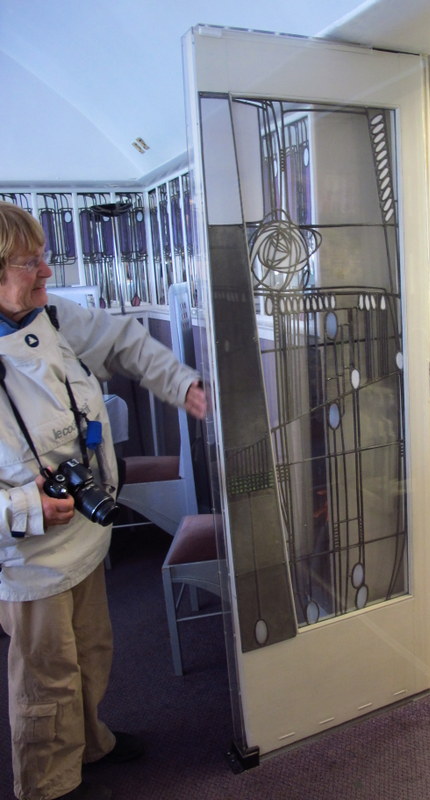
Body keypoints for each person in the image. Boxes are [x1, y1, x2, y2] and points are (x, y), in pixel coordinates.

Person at [0, 202, 207, 800]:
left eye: (44, 256)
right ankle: (47, 783)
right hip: (32, 561)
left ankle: (91, 745)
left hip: (86, 540)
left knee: (91, 654)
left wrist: (181, 382)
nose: (45, 270)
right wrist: (25, 508)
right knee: (46, 679)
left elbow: (121, 342)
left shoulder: (53, 316)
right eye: (28, 262)